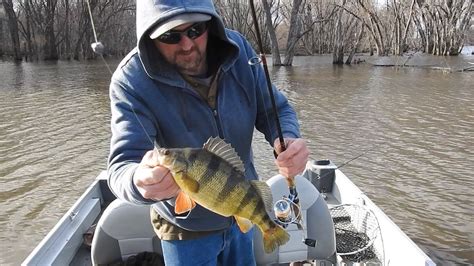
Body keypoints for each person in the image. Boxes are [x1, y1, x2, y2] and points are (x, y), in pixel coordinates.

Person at [107, 0, 310, 265]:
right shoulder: (131, 81)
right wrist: (139, 182)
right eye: (170, 36)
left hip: (242, 214)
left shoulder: (239, 52)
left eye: (196, 30)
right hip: (184, 230)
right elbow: (121, 167)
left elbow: (275, 111)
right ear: (149, 37)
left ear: (210, 25)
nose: (187, 44)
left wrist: (288, 140)